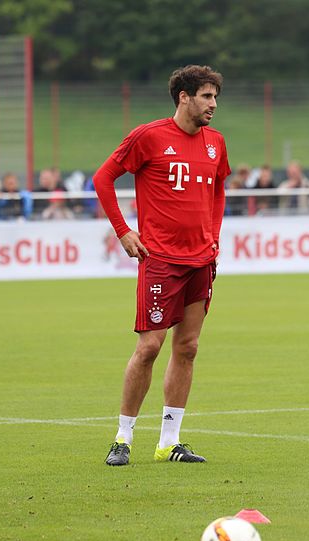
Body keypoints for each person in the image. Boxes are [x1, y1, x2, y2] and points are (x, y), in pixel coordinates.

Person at [93, 65, 231, 466]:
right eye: (206, 96)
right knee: (150, 347)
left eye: (215, 97)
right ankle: (123, 438)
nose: (213, 105)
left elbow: (219, 188)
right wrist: (123, 231)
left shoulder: (216, 143)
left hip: (201, 261)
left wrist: (214, 235)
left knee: (187, 347)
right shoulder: (149, 137)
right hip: (160, 261)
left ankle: (169, 442)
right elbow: (103, 178)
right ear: (184, 97)